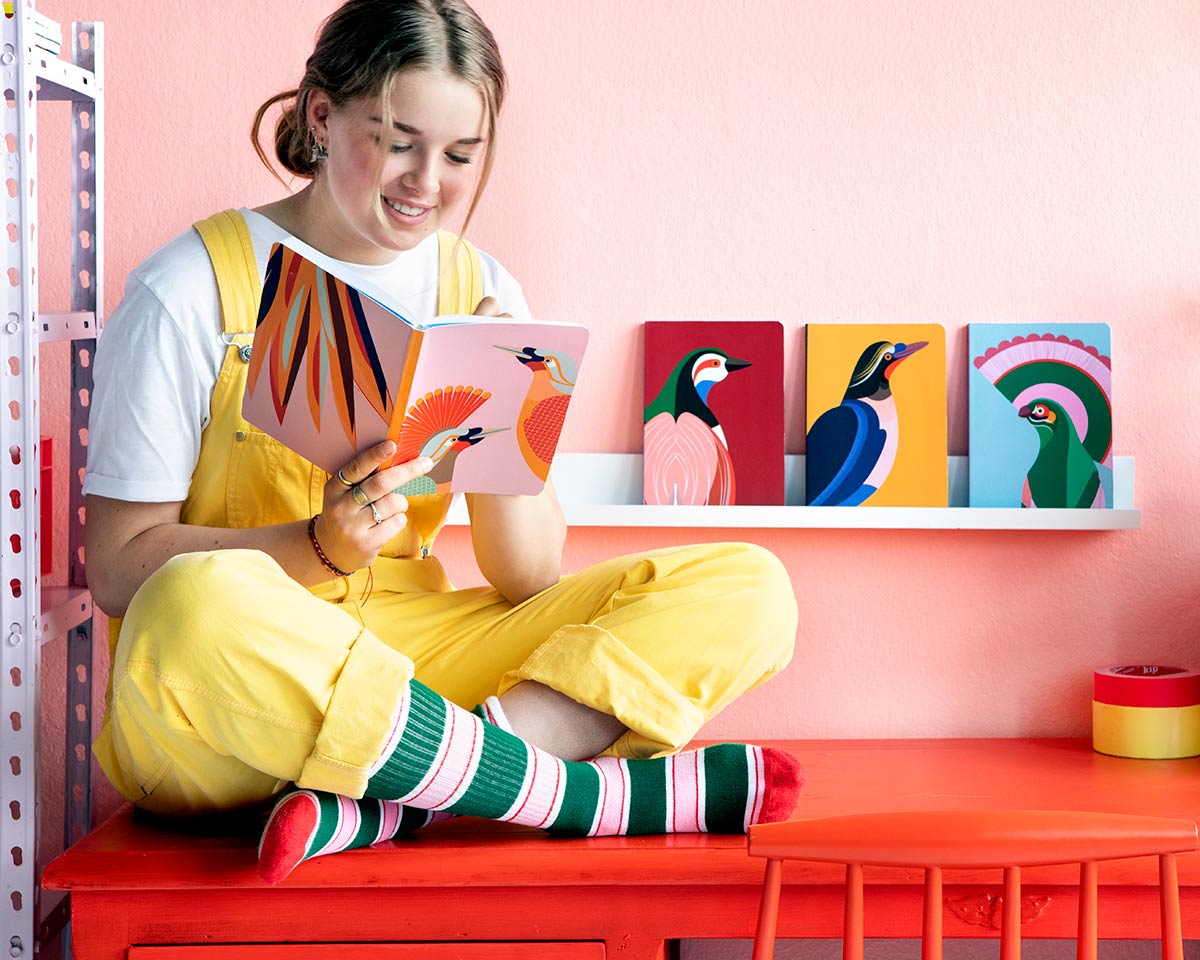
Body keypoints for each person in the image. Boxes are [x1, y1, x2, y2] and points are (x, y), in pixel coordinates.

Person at [83, 0, 801, 885]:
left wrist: (506, 411)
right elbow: (119, 570)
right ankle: (567, 797)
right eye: (398, 140)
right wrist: (316, 546)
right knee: (190, 603)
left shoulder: (481, 285)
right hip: (238, 694)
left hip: (411, 659)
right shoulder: (189, 287)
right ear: (320, 116)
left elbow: (527, 577)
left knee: (751, 588)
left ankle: (407, 793)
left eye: (460, 155)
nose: (428, 180)